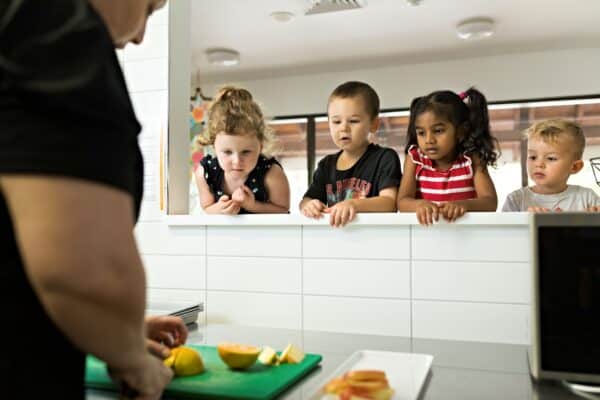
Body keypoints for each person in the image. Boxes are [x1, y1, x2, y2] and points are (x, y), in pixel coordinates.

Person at [0, 0, 182, 398]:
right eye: (150, 9)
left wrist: (116, 332)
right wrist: (133, 359)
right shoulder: (54, 22)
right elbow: (86, 274)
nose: (138, 37)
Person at [300, 81, 401, 227]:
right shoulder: (326, 165)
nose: (344, 128)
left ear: (374, 124)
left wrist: (354, 204)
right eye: (336, 121)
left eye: (353, 121)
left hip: (375, 238)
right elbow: (306, 200)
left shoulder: (385, 158)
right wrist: (309, 205)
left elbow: (389, 203)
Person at [397, 88, 498, 225]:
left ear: (461, 131)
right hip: (425, 236)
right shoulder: (415, 158)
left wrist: (465, 205)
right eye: (421, 133)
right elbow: (402, 202)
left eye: (438, 131)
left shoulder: (471, 158)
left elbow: (490, 202)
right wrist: (418, 205)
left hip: (467, 237)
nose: (429, 140)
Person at [194, 86, 291, 214]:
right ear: (214, 147)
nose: (237, 161)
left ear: (260, 146)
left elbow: (283, 210)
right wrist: (220, 209)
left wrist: (252, 205)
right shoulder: (205, 173)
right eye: (227, 152)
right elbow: (207, 208)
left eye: (246, 152)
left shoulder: (271, 173)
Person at [502, 119, 600, 212]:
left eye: (551, 158)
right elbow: (503, 230)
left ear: (575, 167)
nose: (538, 164)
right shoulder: (516, 200)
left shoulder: (588, 198)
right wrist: (525, 220)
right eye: (532, 157)